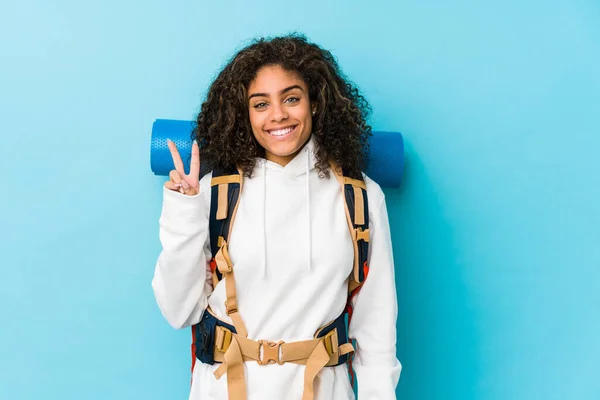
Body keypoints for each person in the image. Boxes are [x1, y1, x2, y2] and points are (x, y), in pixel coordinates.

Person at [152, 33, 401, 399]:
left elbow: (377, 330)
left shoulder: (359, 196)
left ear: (314, 104)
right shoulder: (212, 192)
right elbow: (178, 311)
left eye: (291, 98)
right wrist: (184, 210)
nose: (278, 115)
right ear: (245, 113)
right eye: (260, 104)